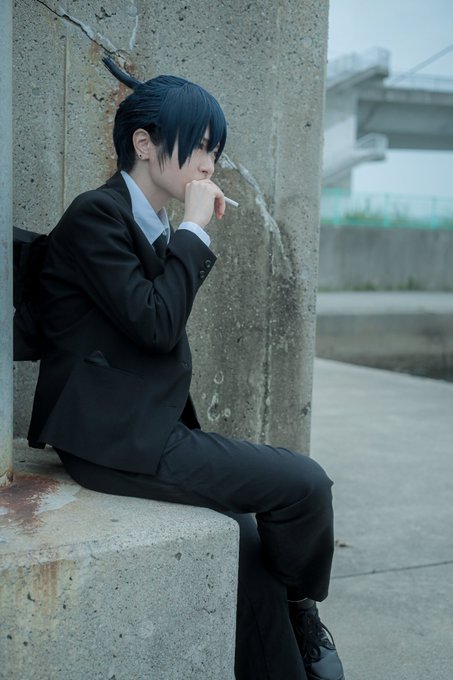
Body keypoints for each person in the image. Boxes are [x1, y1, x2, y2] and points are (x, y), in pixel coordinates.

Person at [28, 57, 344, 680]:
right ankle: (301, 606)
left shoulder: (147, 225)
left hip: (141, 429)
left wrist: (183, 236)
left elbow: (151, 322)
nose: (208, 165)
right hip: (109, 440)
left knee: (247, 537)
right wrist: (194, 232)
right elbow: (155, 323)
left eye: (214, 152)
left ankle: (282, 652)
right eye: (198, 146)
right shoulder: (96, 215)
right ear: (145, 144)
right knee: (306, 485)